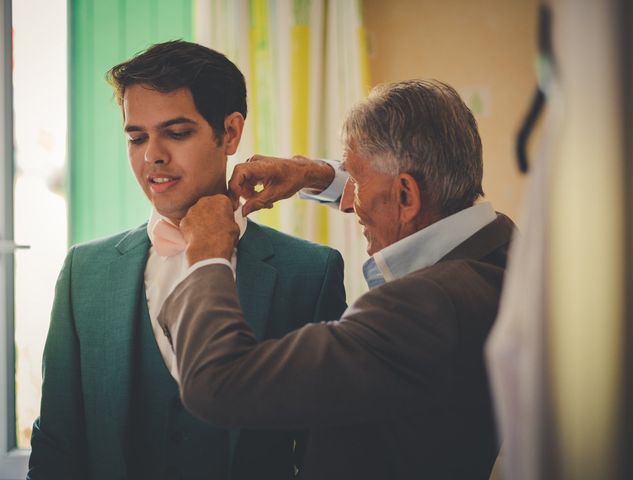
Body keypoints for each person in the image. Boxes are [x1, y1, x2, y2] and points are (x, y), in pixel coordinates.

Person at [159, 79, 516, 480]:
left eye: (356, 182)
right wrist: (313, 173)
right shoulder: (500, 248)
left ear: (406, 195)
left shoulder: (419, 309)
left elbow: (217, 383)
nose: (349, 201)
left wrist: (208, 254)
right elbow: (401, 191)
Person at [28, 40, 347, 480]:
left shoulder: (310, 273)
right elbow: (56, 449)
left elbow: (326, 455)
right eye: (136, 137)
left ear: (230, 133)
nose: (151, 155)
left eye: (176, 133)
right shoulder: (84, 272)